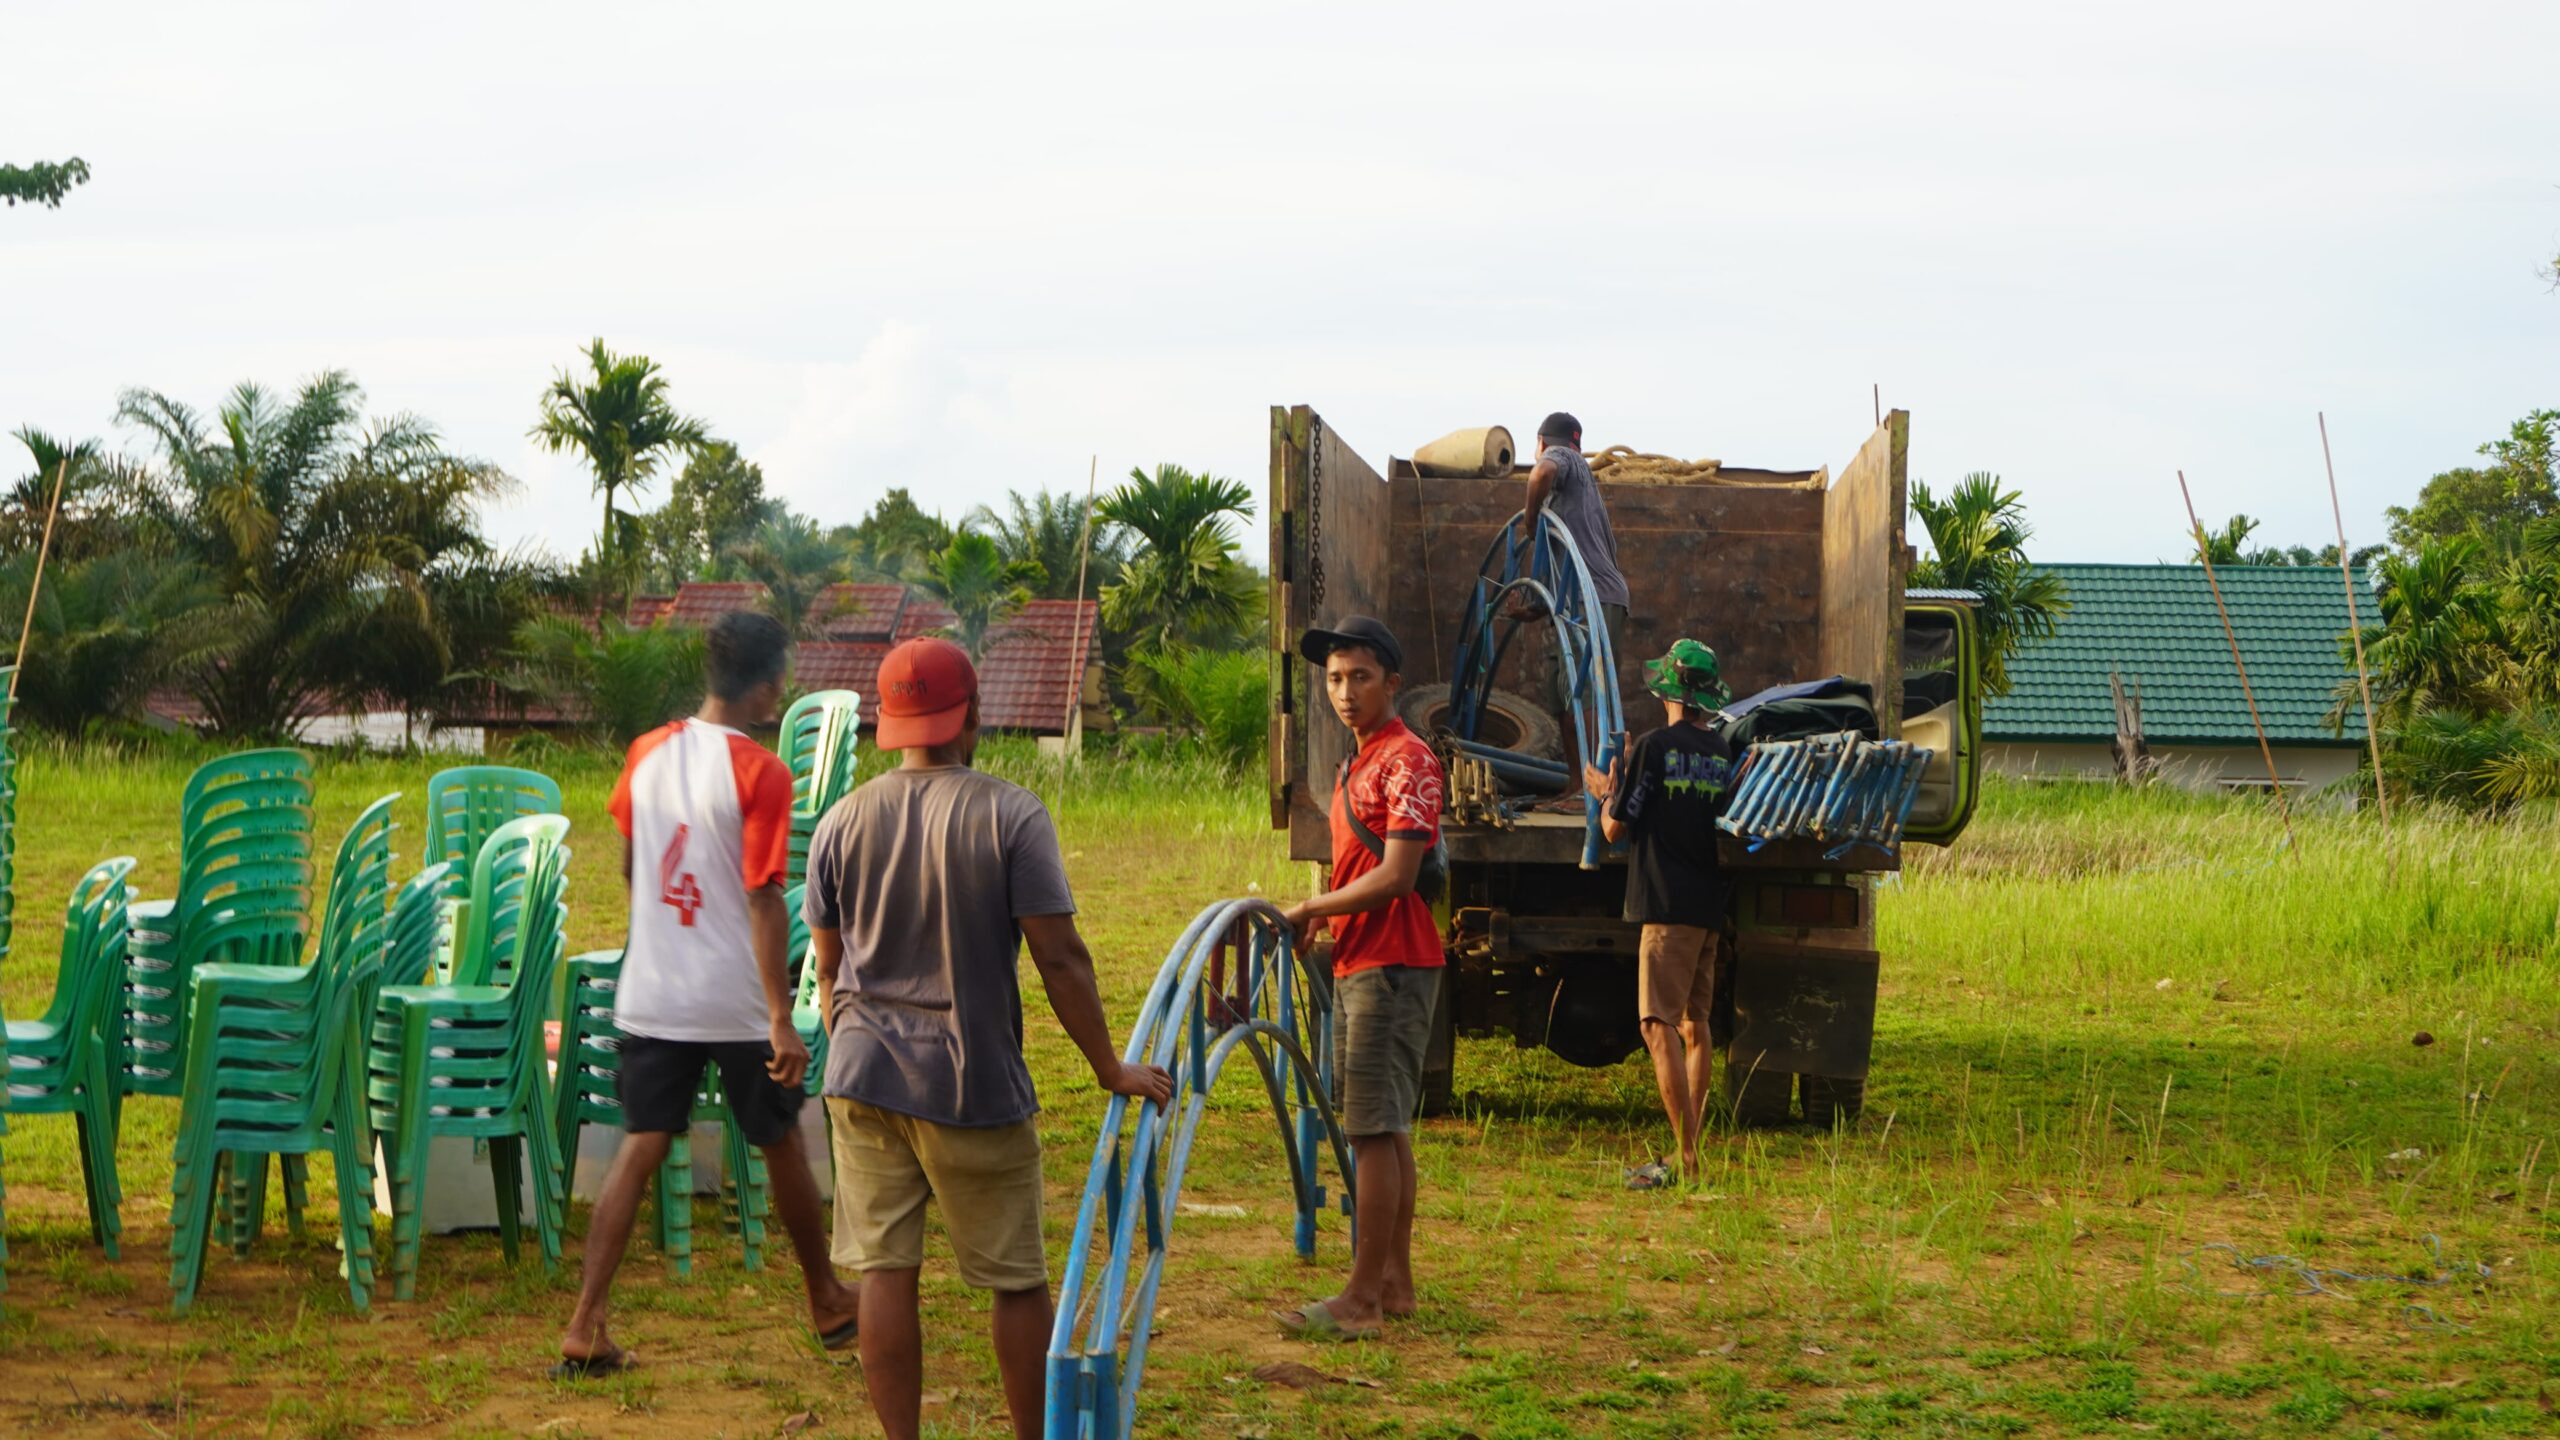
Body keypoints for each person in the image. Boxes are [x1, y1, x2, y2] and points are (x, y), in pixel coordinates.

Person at [805, 636, 1172, 1440]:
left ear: (889, 724)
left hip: (860, 1077)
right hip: (968, 1084)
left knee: (884, 1271)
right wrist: (1109, 1066)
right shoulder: (1009, 813)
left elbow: (828, 963)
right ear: (970, 715)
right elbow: (1060, 957)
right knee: (1014, 1279)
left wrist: (845, 1028)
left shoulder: (841, 819)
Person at [558, 611, 860, 1376]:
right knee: (780, 1140)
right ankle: (825, 1298)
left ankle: (585, 1322)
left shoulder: (647, 752)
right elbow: (763, 899)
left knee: (641, 1147)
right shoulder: (762, 773)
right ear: (764, 688)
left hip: (652, 992)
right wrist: (777, 1019)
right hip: (730, 1000)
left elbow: (634, 868)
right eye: (781, 677)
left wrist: (661, 944)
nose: (785, 688)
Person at [1276, 615, 1445, 1343]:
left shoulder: (1409, 761)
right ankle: (1394, 1283)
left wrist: (1314, 903)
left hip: (1392, 960)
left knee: (1371, 1130)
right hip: (1359, 956)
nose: (1344, 691)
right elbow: (1357, 869)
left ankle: (1360, 1300)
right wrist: (1326, 920)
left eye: (1361, 677)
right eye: (1335, 678)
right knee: (1387, 1129)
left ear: (1392, 684)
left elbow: (1398, 875)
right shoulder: (1358, 764)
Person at [1585, 639, 1738, 1188]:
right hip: (1707, 907)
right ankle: (1688, 1153)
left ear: (1668, 691)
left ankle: (1687, 1156)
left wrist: (1606, 789)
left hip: (1665, 906)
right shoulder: (1721, 752)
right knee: (1696, 1026)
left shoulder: (1654, 747)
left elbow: (1615, 828)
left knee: (1657, 1025)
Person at [1516, 410, 1631, 717]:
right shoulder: (1576, 488)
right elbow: (1562, 557)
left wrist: (1529, 521)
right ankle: (1576, 769)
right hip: (1577, 599)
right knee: (1564, 706)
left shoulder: (1561, 456)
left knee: (1587, 705)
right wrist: (1537, 607)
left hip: (1593, 597)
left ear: (1541, 443)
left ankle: (1598, 765)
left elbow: (1541, 474)